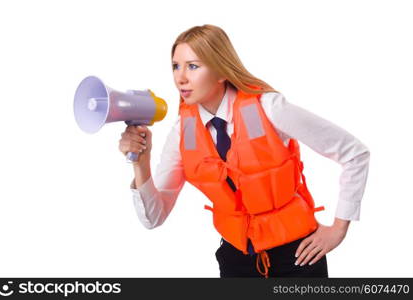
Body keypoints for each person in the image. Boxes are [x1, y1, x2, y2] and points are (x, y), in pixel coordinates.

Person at [118, 24, 370, 278]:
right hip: (236, 261)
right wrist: (141, 161)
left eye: (193, 66)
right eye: (176, 66)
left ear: (220, 71)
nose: (180, 77)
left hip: (297, 255)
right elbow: (153, 217)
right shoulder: (183, 131)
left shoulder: (268, 107)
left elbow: (354, 154)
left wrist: (338, 229)